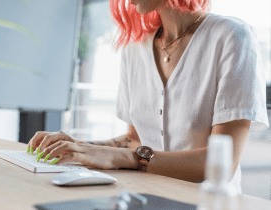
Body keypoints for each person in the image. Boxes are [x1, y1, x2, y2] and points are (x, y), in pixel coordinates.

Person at [28, 0, 269, 194]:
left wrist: (120, 158)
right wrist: (77, 146)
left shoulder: (232, 37)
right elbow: (135, 140)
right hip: (145, 196)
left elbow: (222, 163)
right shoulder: (134, 48)